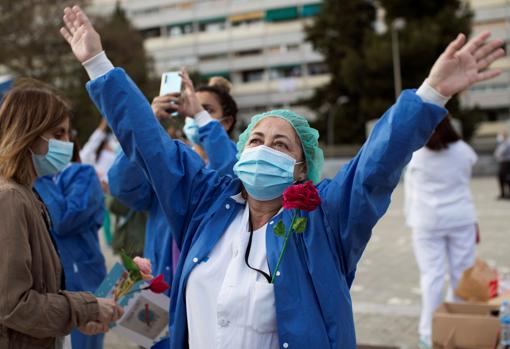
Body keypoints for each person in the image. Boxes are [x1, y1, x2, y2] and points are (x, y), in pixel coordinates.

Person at [60, 6, 504, 348]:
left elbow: (375, 164)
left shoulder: (326, 216)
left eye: (280, 144)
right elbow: (149, 144)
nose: (264, 150)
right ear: (238, 154)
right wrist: (99, 64)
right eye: (255, 141)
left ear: (299, 166)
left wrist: (432, 93)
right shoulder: (204, 202)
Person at [0, 80, 123, 349]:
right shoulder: (11, 197)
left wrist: (79, 314)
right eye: (57, 134)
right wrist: (85, 308)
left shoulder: (26, 193)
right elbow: (14, 305)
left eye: (67, 133)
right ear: (28, 133)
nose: (67, 143)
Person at [108, 74, 238, 285]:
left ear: (227, 122)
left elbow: (230, 175)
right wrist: (146, 125)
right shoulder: (171, 162)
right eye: (191, 107)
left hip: (212, 284)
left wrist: (200, 116)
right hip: (164, 281)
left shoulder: (238, 160)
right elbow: (123, 187)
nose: (194, 113)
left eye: (207, 110)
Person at [404, 117, 479, 348]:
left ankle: (428, 332)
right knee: (461, 273)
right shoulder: (464, 151)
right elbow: (468, 172)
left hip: (426, 220)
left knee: (432, 277)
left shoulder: (416, 154)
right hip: (461, 217)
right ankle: (457, 324)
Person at [34, 137, 107, 349]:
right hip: (50, 287)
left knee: (84, 342)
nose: (57, 141)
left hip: (85, 279)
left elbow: (65, 220)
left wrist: (39, 177)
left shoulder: (83, 174)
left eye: (63, 133)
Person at [494, 130, 510, 199]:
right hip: (503, 162)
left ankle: (507, 194)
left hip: (507, 162)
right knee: (501, 178)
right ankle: (503, 193)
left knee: (507, 178)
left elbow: (501, 152)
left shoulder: (507, 143)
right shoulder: (503, 143)